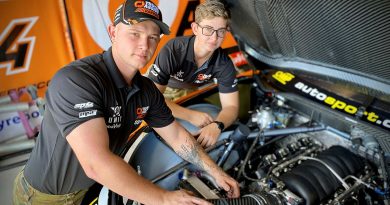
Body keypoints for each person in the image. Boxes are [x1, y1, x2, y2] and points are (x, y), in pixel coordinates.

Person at [12, 0, 240, 204]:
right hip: (44, 197)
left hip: (92, 190)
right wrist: (165, 199)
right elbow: (96, 164)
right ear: (112, 32)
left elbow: (178, 137)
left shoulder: (146, 90)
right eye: (135, 33)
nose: (145, 44)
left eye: (153, 37)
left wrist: (216, 172)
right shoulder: (77, 80)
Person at [147, 0, 239, 147]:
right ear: (195, 28)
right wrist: (190, 115)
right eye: (208, 29)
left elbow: (231, 107)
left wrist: (217, 125)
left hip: (192, 91)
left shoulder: (224, 63)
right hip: (163, 90)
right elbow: (151, 99)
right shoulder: (174, 50)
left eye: (221, 31)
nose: (214, 38)